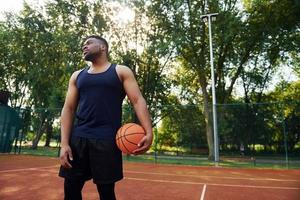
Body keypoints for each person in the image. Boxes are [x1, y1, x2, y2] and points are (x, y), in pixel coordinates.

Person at [59, 35, 153, 200]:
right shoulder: (77, 75)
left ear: (103, 47)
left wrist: (148, 132)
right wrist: (64, 143)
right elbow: (69, 108)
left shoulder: (120, 71)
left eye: (88, 43)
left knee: (106, 192)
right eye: (83, 44)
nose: (84, 46)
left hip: (107, 140)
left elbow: (138, 101)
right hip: (78, 138)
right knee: (71, 188)